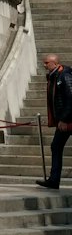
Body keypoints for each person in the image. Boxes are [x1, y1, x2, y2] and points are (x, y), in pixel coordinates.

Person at [36, 54, 72, 190]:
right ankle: (54, 180)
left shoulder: (64, 76)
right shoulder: (55, 76)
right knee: (56, 146)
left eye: (46, 63)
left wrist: (63, 119)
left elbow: (71, 98)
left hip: (67, 120)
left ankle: (54, 179)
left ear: (55, 63)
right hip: (64, 120)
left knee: (56, 146)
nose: (44, 65)